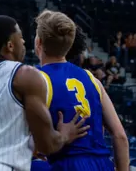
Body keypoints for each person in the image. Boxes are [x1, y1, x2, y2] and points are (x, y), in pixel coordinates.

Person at [0, 15, 89, 171]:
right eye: (20, 37)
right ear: (10, 46)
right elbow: (47, 145)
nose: (24, 42)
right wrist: (65, 135)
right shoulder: (25, 76)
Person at [34, 10, 129, 171]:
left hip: (67, 164)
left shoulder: (35, 79)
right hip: (102, 164)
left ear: (39, 42)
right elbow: (120, 137)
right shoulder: (93, 79)